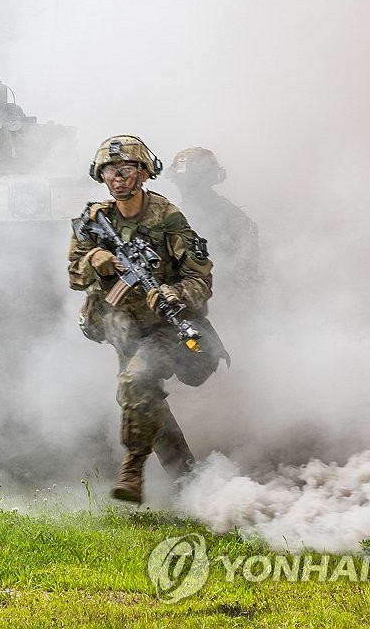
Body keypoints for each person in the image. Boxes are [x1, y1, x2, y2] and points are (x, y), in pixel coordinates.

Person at [68, 135, 218, 504]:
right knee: (141, 398)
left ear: (144, 173)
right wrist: (94, 261)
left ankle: (132, 471)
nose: (117, 178)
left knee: (136, 383)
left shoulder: (167, 219)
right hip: (124, 329)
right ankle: (189, 482)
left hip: (166, 325)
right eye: (109, 171)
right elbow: (74, 275)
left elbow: (201, 279)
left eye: (125, 170)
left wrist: (174, 293)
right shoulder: (94, 220)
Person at [165, 147, 260, 289]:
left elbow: (245, 271)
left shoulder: (231, 218)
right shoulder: (170, 215)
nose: (185, 188)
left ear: (209, 179)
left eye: (192, 182)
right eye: (181, 181)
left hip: (222, 294)